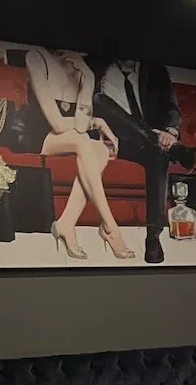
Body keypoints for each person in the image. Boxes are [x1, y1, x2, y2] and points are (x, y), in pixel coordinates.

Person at [13, 48, 135, 260]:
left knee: (100, 149)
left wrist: (87, 79)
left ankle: (66, 224)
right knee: (86, 143)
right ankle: (110, 227)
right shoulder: (36, 58)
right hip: (32, 135)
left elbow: (79, 125)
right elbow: (58, 124)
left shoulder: (81, 69)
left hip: (70, 134)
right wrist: (97, 121)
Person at [87, 58, 196, 264]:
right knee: (100, 99)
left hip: (146, 145)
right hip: (113, 139)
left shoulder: (156, 71)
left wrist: (170, 132)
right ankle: (176, 151)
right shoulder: (97, 67)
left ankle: (153, 237)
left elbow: (171, 108)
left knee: (158, 154)